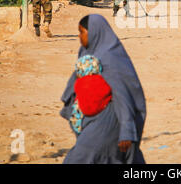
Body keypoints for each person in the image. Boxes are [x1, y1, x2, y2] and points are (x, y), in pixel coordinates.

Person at [61, 14, 146, 164]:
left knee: (81, 157)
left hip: (111, 120)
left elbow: (123, 96)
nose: (79, 37)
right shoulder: (87, 52)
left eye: (82, 32)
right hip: (92, 119)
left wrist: (126, 131)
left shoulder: (109, 58)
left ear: (93, 32)